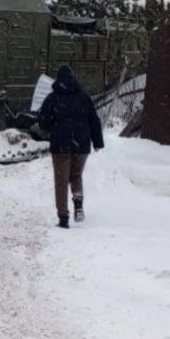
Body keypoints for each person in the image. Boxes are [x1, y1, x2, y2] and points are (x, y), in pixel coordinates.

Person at [38, 65, 104, 229]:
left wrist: (50, 128)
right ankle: (78, 204)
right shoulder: (84, 98)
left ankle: (63, 217)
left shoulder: (52, 98)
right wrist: (97, 142)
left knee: (61, 181)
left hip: (60, 145)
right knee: (76, 176)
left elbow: (44, 122)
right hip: (81, 144)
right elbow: (94, 121)